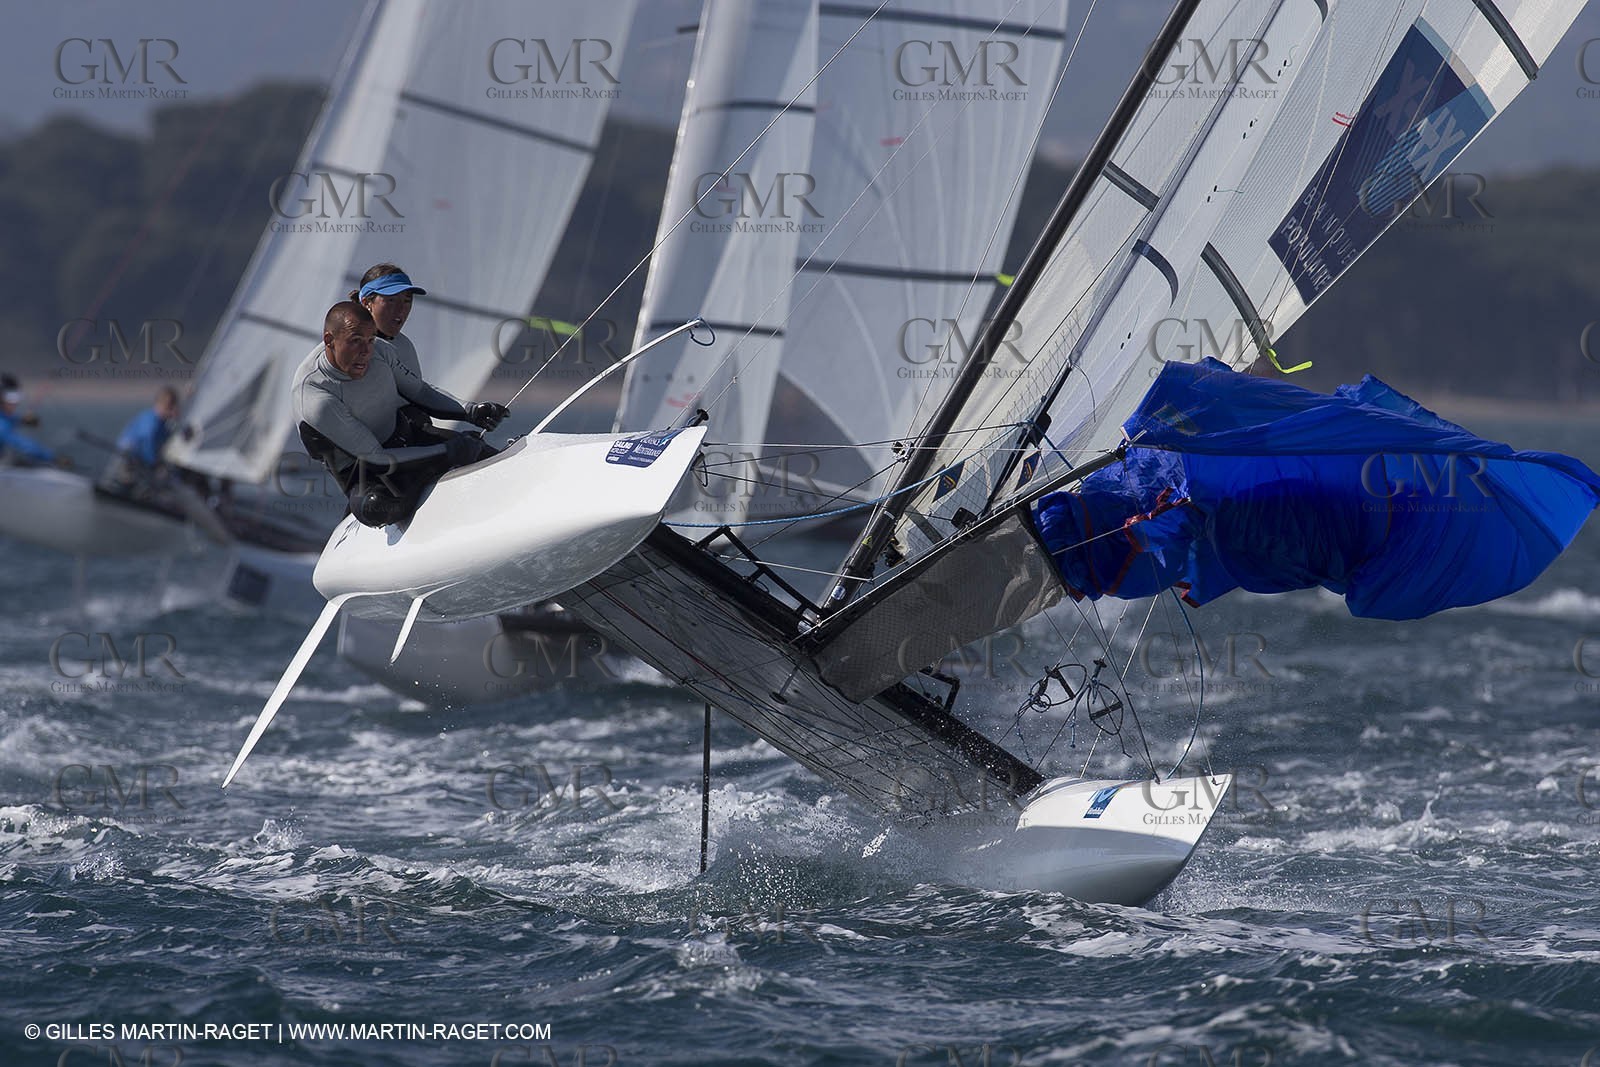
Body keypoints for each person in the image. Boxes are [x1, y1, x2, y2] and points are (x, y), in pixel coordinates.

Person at [294, 301, 509, 527]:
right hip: (365, 473)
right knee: (376, 507)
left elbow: (419, 391)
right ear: (329, 340)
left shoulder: (381, 350)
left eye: (369, 340)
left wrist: (470, 411)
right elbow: (376, 458)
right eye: (355, 341)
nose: (366, 352)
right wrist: (447, 452)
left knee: (481, 452)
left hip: (410, 441)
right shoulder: (315, 397)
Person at [350, 262, 425, 378]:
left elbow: (418, 391)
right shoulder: (345, 345)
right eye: (391, 300)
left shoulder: (405, 345)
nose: (401, 309)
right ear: (366, 303)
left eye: (407, 301)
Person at [100, 386, 179, 495]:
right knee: (120, 487)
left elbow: (168, 444)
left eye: (173, 407)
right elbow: (147, 443)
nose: (171, 410)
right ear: (159, 404)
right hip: (127, 460)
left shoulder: (164, 426)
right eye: (169, 407)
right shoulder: (151, 422)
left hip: (139, 464)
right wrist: (155, 464)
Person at [0, 374, 62, 467]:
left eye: (17, 399)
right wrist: (54, 458)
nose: (15, 404)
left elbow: (8, 419)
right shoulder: (2, 426)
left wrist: (22, 420)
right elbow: (22, 444)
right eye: (11, 400)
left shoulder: (5, 419)